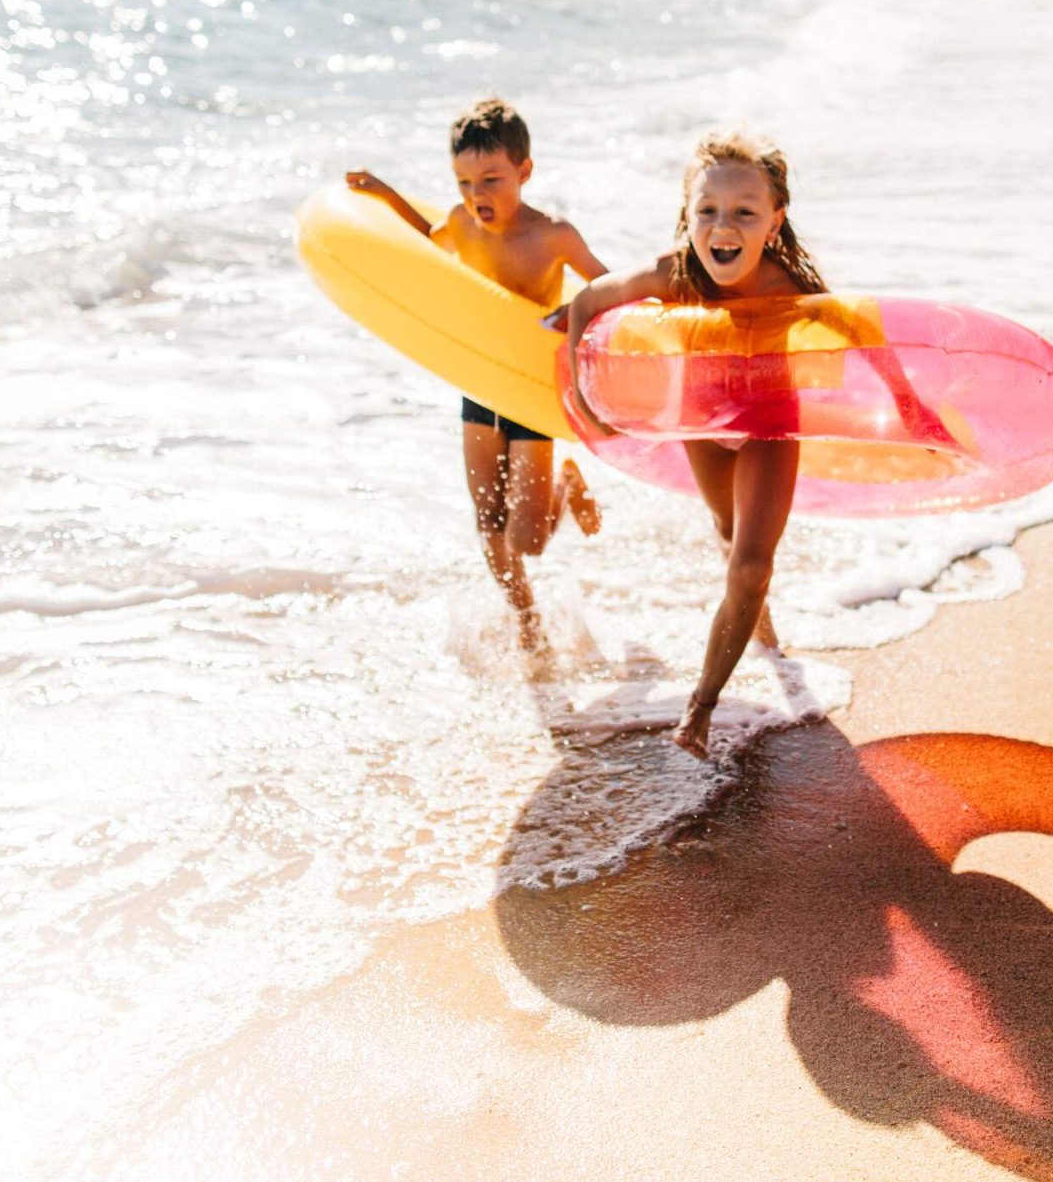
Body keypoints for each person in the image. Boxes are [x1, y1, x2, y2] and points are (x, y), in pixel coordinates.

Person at [560, 132, 825, 756]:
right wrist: (584, 398)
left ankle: (700, 707)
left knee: (752, 562)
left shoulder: (790, 287)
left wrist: (912, 414)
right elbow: (586, 304)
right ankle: (760, 624)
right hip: (704, 422)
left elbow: (867, 345)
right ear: (688, 215)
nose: (722, 226)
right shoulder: (671, 275)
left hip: (768, 425)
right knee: (731, 534)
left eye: (743, 212)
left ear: (774, 221)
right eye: (707, 210)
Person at [347, 97, 605, 651]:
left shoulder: (552, 235)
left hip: (530, 386)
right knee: (487, 512)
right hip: (481, 381)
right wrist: (384, 193)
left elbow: (606, 288)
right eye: (464, 181)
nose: (476, 195)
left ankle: (566, 484)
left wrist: (577, 316)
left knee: (529, 538)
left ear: (524, 172)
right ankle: (527, 621)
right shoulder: (463, 222)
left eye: (491, 179)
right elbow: (422, 241)